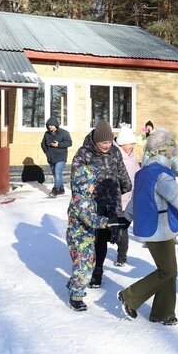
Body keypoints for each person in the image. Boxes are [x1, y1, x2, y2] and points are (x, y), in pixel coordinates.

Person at [118, 129, 178, 325]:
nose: (174, 153)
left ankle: (163, 312)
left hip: (158, 227)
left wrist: (127, 217)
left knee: (170, 270)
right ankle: (130, 296)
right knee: (167, 271)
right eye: (172, 150)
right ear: (166, 151)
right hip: (158, 228)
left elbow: (136, 198)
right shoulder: (161, 175)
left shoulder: (144, 172)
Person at [71, 119, 133, 289]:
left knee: (103, 240)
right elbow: (76, 178)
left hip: (112, 201)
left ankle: (98, 271)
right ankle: (89, 271)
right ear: (95, 140)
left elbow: (121, 169)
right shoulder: (83, 154)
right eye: (103, 142)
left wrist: (126, 184)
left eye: (109, 142)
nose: (107, 145)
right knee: (92, 238)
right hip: (92, 203)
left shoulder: (115, 151)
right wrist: (81, 197)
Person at [65, 165, 118, 311]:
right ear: (84, 184)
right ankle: (76, 297)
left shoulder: (85, 198)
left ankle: (73, 284)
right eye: (92, 183)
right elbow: (90, 219)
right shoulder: (80, 201)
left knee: (87, 263)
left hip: (85, 238)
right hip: (78, 240)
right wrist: (108, 222)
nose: (94, 187)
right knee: (83, 267)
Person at [113, 126, 139, 266]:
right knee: (116, 228)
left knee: (123, 229)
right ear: (123, 143)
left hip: (130, 198)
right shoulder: (115, 155)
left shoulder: (132, 156)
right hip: (118, 199)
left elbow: (136, 173)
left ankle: (122, 256)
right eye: (131, 144)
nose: (133, 146)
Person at [41, 117, 72, 197]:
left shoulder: (64, 133)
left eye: (51, 125)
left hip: (61, 156)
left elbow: (69, 143)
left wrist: (59, 144)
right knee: (55, 174)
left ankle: (55, 190)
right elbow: (43, 144)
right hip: (51, 157)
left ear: (56, 125)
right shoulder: (46, 134)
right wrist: (46, 152)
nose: (50, 127)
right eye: (48, 125)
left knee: (58, 173)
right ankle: (61, 189)